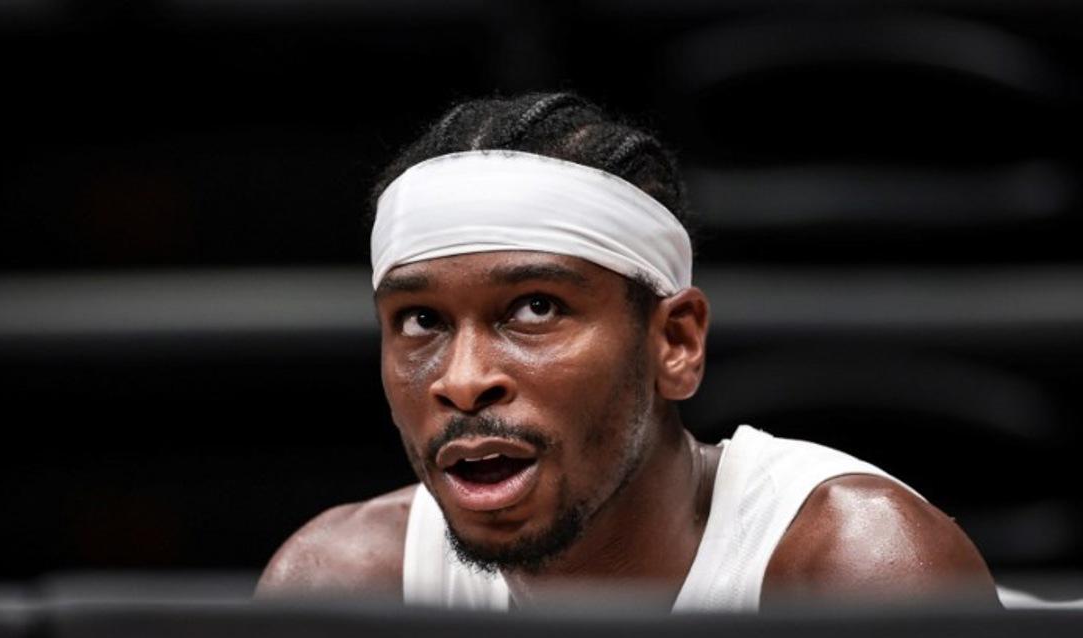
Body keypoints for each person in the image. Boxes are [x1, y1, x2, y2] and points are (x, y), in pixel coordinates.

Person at [256, 92, 999, 611]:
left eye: (535, 309)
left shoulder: (859, 573)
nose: (464, 380)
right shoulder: (342, 586)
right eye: (420, 321)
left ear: (674, 342)